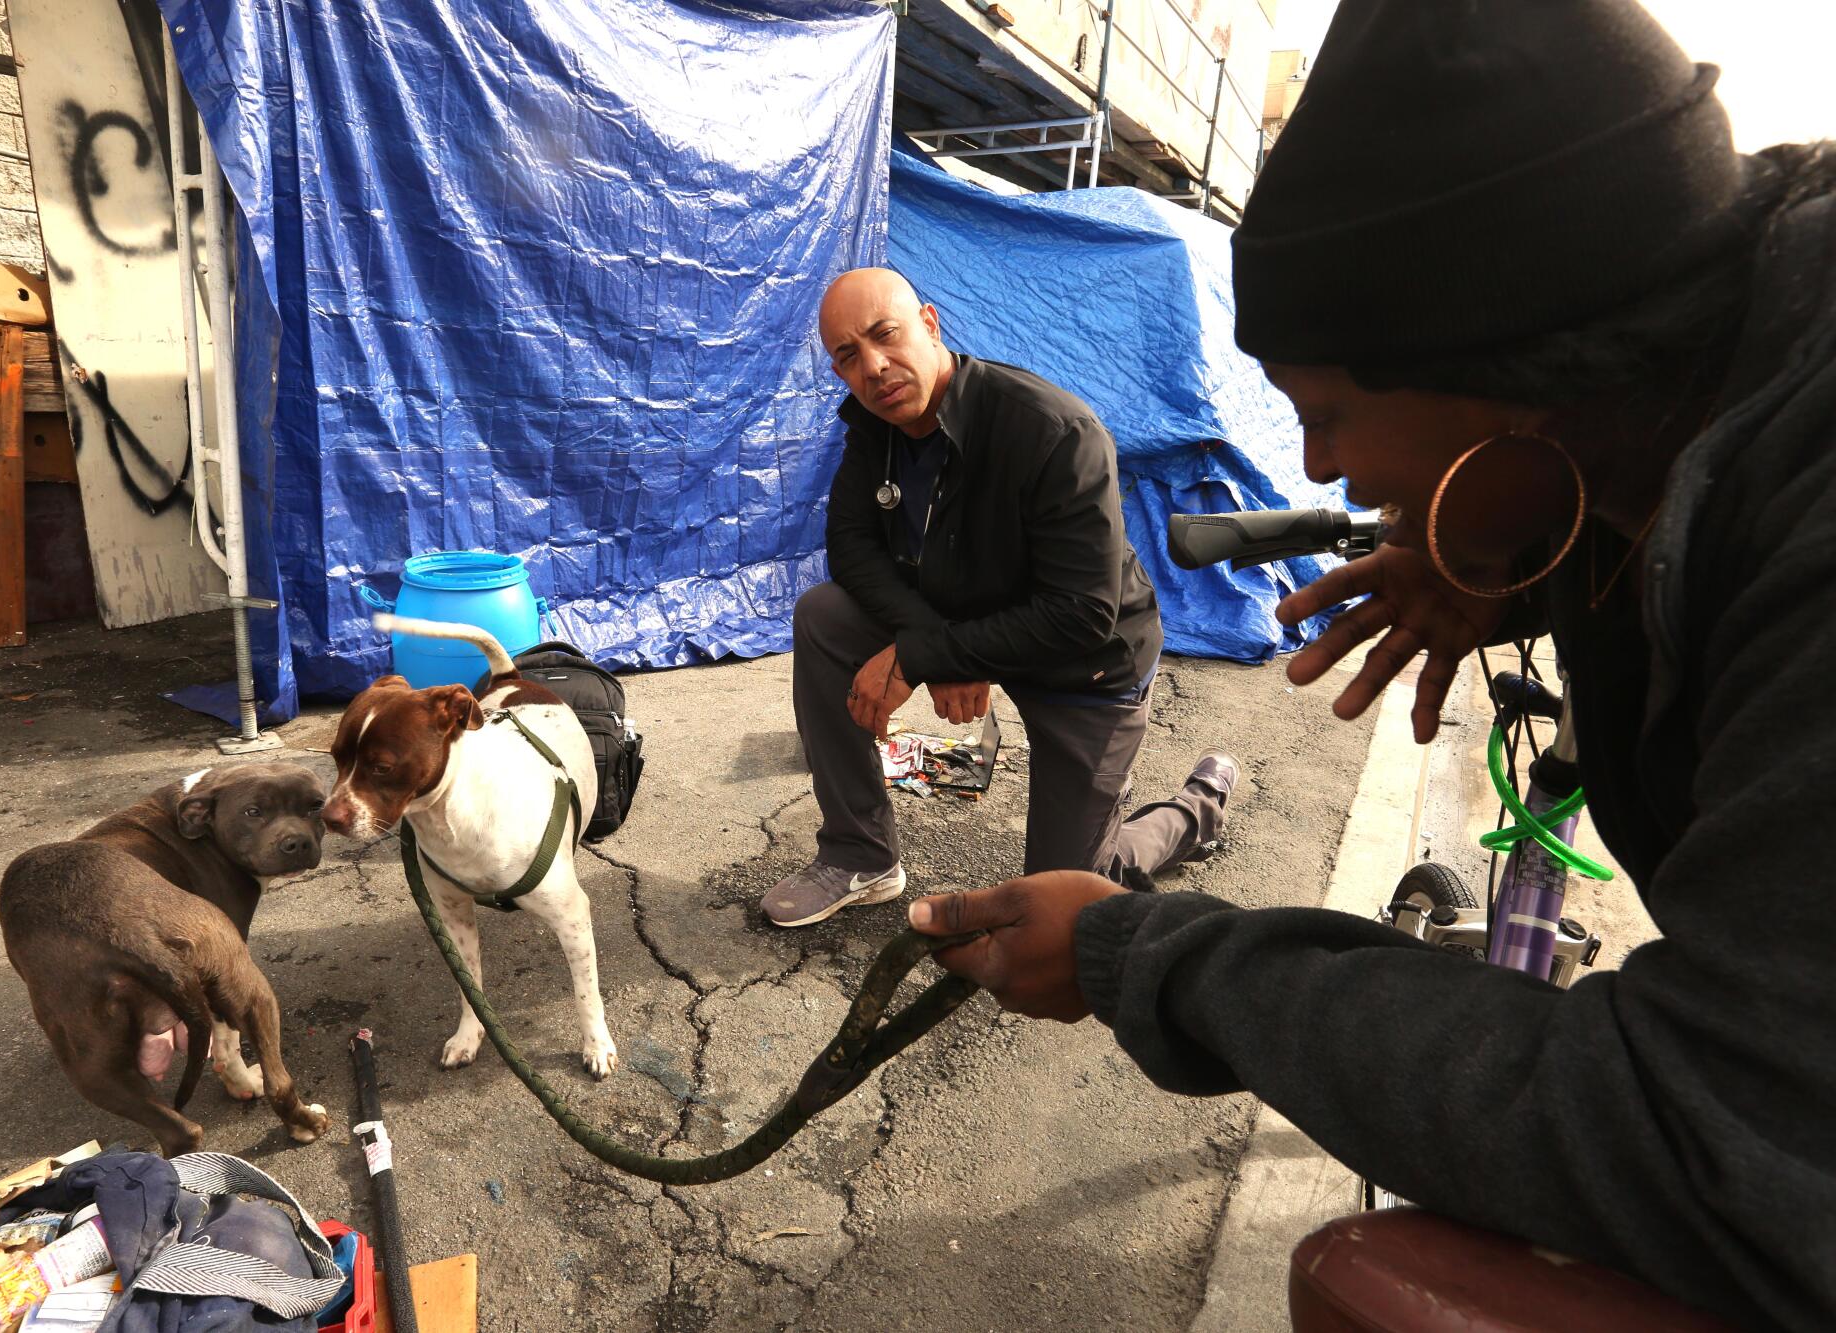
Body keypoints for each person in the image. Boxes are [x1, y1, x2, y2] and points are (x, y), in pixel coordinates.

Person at [906, 1, 1836, 1327]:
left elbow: (1716, 1134)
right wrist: (1509, 554)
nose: (1327, 469)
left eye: (1328, 414)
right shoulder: (1688, 384)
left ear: (1518, 379)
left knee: (1371, 1289)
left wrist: (1149, 959)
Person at [762, 267, 1238, 928]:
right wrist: (931, 646)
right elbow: (851, 545)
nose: (873, 366)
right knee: (824, 616)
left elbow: (1081, 612)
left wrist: (927, 651)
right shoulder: (876, 428)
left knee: (1066, 902)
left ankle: (1195, 810)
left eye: (884, 335)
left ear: (929, 323)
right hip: (964, 619)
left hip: (1083, 663)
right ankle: (858, 853)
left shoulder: (1050, 430)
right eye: (848, 356)